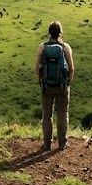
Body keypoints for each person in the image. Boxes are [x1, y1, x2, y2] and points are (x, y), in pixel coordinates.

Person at [35, 20, 74, 150]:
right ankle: (62, 143)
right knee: (62, 113)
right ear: (60, 33)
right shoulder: (65, 47)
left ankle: (47, 143)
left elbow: (37, 68)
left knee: (47, 114)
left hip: (47, 86)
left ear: (49, 33)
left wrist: (41, 81)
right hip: (62, 86)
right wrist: (68, 83)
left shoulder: (43, 47)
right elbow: (72, 69)